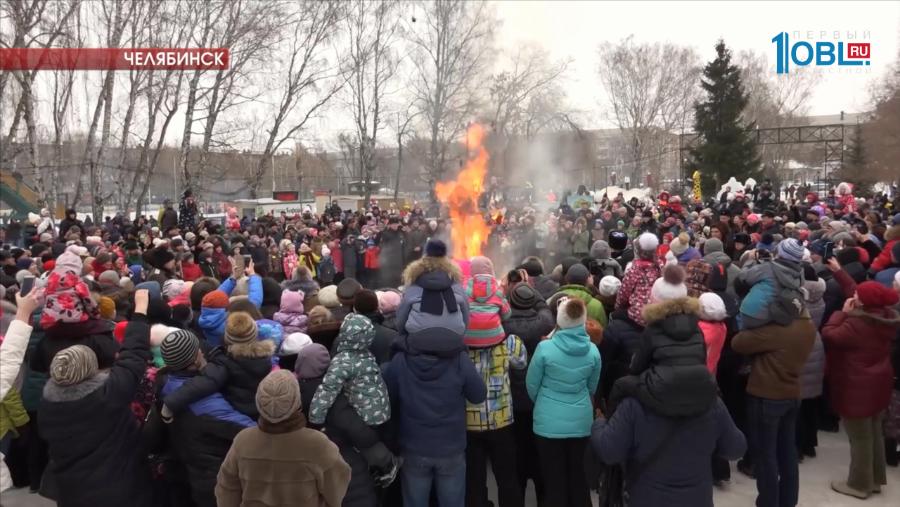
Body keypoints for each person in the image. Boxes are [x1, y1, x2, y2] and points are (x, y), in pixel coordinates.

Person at [38, 289, 153, 507]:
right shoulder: (109, 394)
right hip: (119, 487)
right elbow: (133, 355)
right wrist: (140, 311)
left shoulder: (47, 406)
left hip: (71, 490)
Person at [382, 316, 487, 507]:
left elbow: (388, 398)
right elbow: (478, 395)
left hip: (413, 445)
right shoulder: (459, 360)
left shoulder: (400, 361)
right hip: (451, 446)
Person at [145, 329, 255, 507]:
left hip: (187, 474)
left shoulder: (164, 383)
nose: (202, 351)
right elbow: (251, 432)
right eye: (198, 349)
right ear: (195, 358)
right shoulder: (206, 404)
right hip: (215, 481)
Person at [215, 370, 352, 507]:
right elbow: (337, 488)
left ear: (259, 403)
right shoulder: (317, 444)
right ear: (297, 402)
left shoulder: (243, 441)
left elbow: (226, 491)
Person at [732, 302, 816, 507]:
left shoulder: (775, 331)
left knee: (765, 454)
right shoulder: (807, 326)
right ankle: (788, 500)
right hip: (791, 394)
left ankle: (768, 501)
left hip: (766, 396)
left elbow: (738, 342)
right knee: (787, 451)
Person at [821, 282, 899, 499]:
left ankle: (858, 484)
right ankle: (875, 479)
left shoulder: (857, 324)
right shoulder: (884, 317)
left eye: (857, 293)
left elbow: (830, 334)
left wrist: (841, 313)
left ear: (863, 301)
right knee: (874, 432)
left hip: (857, 385)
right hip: (878, 382)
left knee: (860, 438)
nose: (853, 293)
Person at [526, 297, 601, 507]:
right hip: (580, 422)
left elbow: (532, 384)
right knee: (578, 476)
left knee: (553, 479)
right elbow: (591, 388)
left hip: (547, 424)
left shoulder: (544, 349)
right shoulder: (593, 351)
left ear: (560, 320)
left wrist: (543, 403)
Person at [309, 314, 391, 428]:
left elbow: (328, 389)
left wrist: (315, 419)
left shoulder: (343, 361)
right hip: (382, 412)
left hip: (365, 418)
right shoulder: (367, 355)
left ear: (344, 333)